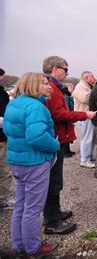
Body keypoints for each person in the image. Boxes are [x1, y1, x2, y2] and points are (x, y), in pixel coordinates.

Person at [3, 73, 60, 257]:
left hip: (17, 162)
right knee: (33, 208)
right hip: (34, 162)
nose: (49, 86)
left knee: (21, 204)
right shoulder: (36, 106)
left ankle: (19, 245)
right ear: (34, 85)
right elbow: (36, 136)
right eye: (44, 83)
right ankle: (33, 248)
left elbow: (8, 129)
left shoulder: (14, 103)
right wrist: (55, 145)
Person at [42, 56, 95, 235]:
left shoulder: (54, 87)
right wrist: (83, 115)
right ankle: (52, 222)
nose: (67, 73)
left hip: (55, 138)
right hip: (54, 139)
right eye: (65, 69)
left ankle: (55, 213)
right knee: (53, 182)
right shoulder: (51, 88)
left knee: (55, 181)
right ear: (55, 69)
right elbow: (58, 114)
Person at [72, 71, 97, 168]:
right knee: (87, 138)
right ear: (87, 78)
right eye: (92, 76)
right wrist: (95, 94)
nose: (94, 78)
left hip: (88, 115)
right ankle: (84, 160)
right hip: (84, 116)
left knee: (92, 137)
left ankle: (89, 156)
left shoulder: (87, 86)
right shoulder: (80, 86)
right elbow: (85, 99)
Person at [0, 68, 13, 210]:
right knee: (4, 170)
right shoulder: (2, 93)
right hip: (1, 137)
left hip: (3, 136)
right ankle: (2, 200)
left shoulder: (3, 93)